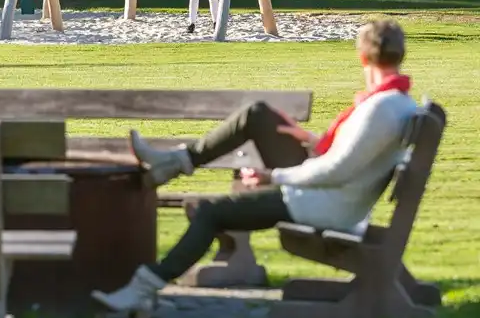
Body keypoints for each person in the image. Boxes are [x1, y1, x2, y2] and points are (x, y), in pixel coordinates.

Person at [91, 18, 418, 315]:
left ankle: (143, 288)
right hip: (333, 195)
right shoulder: (397, 102)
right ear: (399, 55)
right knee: (257, 115)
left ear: (363, 58)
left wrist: (272, 176)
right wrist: (311, 140)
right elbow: (353, 157)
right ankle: (174, 163)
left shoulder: (380, 108)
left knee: (210, 213)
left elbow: (338, 170)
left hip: (325, 203)